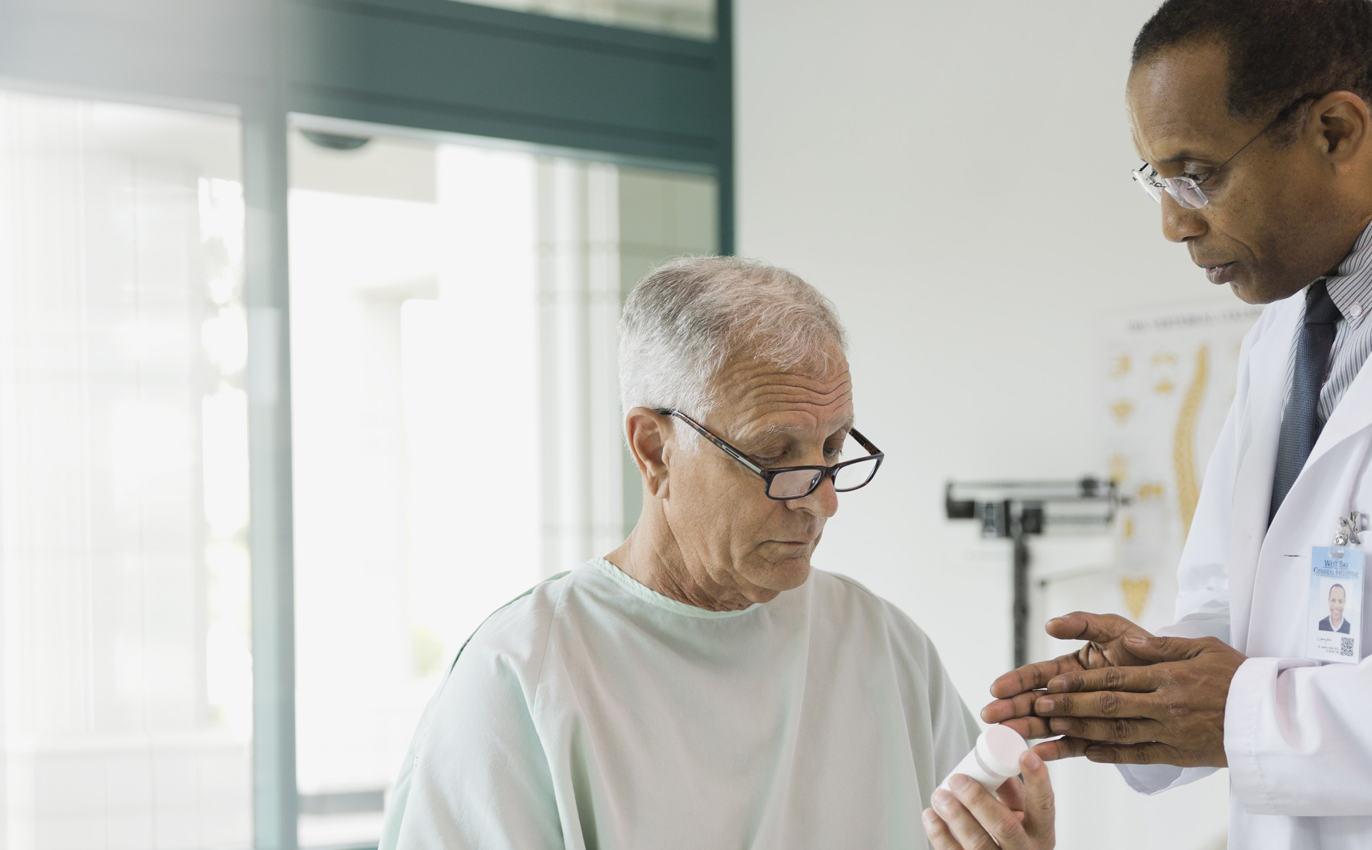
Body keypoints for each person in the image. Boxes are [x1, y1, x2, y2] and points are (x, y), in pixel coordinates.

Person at [983, 1, 1372, 847]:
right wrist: (1138, 698)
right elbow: (1237, 619)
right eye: (1156, 181)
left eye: (1196, 175)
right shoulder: (1283, 336)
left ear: (1332, 129)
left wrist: (1251, 714)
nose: (1175, 224)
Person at [378, 257, 1056, 850]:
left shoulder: (881, 647)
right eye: (772, 456)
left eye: (832, 451)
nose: (821, 501)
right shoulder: (524, 676)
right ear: (653, 449)